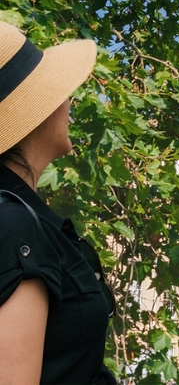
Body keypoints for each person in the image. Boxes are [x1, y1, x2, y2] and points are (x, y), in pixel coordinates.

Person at [0, 22, 115, 385]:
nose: (69, 102)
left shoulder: (18, 214)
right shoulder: (13, 225)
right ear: (35, 113)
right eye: (57, 92)